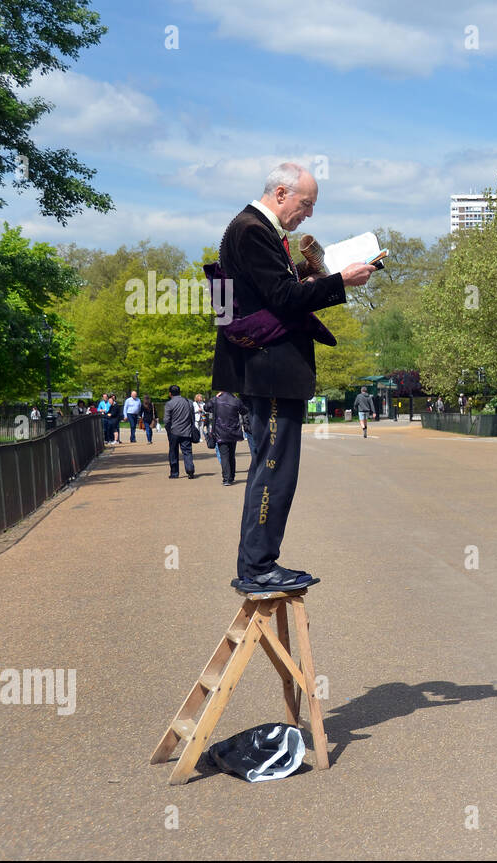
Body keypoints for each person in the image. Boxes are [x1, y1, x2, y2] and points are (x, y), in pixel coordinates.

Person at [211, 161, 376, 593]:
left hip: (269, 370)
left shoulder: (252, 230)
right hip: (270, 371)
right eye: (306, 204)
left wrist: (308, 274)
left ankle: (259, 563)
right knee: (274, 468)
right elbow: (282, 300)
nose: (309, 214)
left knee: (273, 467)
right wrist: (340, 280)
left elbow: (266, 293)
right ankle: (258, 566)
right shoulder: (251, 230)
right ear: (280, 193)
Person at [206, 390, 246, 485]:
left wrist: (215, 397)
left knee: (224, 455)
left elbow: (206, 407)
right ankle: (231, 476)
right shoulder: (235, 400)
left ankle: (226, 478)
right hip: (233, 431)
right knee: (231, 455)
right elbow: (244, 411)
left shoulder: (216, 399)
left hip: (220, 431)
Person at [162, 385, 196, 479]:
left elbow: (166, 420)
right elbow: (192, 416)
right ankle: (190, 470)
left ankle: (174, 473)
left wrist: (168, 430)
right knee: (187, 451)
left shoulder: (169, 404)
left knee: (173, 452)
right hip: (186, 430)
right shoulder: (188, 402)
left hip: (174, 431)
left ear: (170, 393)